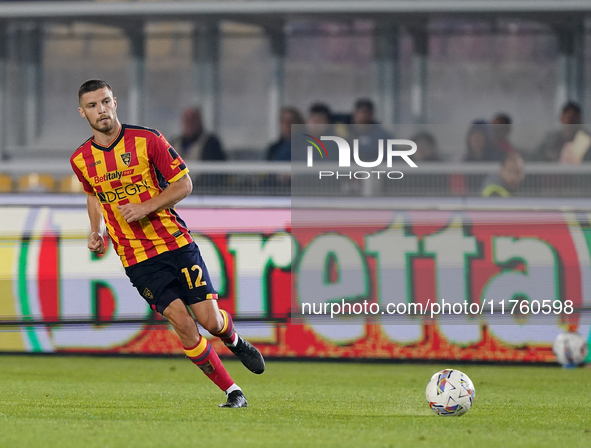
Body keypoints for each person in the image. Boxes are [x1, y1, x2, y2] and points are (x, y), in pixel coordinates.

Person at [70, 80, 264, 408]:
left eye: (105, 102)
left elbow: (184, 183)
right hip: (137, 257)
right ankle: (233, 392)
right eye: (92, 105)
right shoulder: (81, 159)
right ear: (82, 112)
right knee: (183, 323)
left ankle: (233, 338)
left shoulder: (148, 140)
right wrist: (97, 231)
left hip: (174, 244)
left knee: (208, 320)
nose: (100, 110)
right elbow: (93, 193)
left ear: (115, 102)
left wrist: (146, 207)